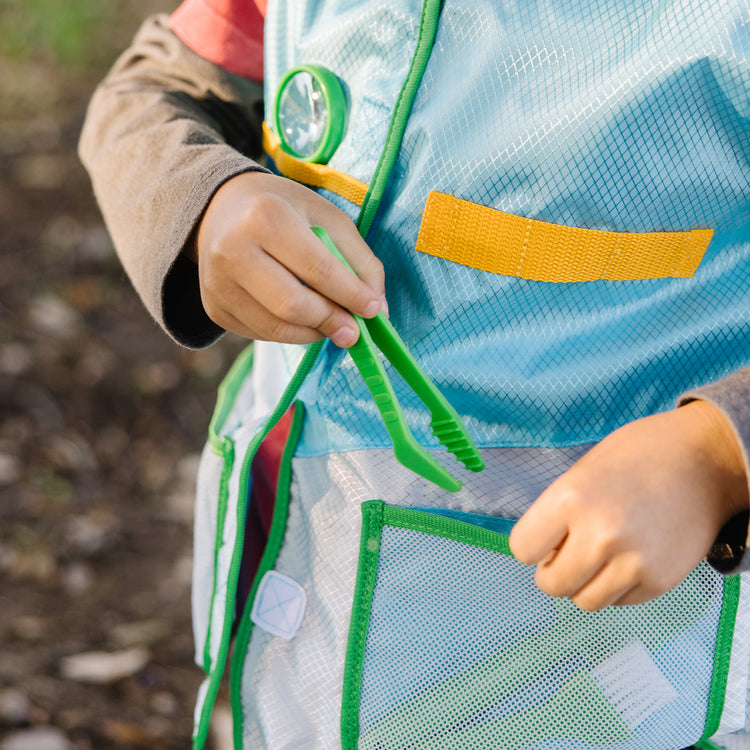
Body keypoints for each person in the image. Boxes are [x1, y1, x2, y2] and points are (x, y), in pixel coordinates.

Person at [80, 1, 750, 748]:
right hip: (298, 596)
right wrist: (203, 199)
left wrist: (719, 452)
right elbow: (155, 88)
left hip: (600, 664)